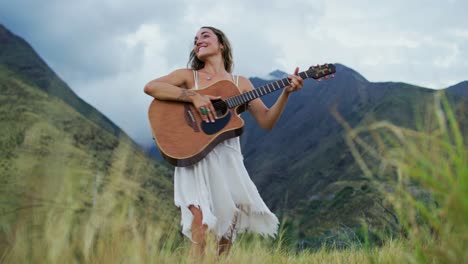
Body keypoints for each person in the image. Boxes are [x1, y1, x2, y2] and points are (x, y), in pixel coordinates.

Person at [143, 26, 304, 258]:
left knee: (225, 236)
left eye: (205, 36)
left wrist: (286, 93)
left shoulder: (241, 84)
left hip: (228, 159)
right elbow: (152, 87)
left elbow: (267, 121)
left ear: (222, 44)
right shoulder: (188, 76)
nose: (198, 41)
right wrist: (195, 96)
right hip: (193, 157)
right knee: (200, 230)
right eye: (195, 39)